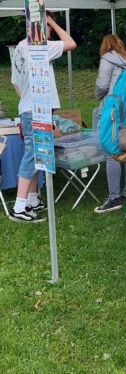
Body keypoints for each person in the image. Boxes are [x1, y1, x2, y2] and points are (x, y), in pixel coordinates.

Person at [10, 13, 76, 222]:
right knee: (32, 153)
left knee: (36, 152)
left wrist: (26, 101)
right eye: (46, 27)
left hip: (28, 107)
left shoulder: (20, 47)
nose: (49, 32)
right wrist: (53, 22)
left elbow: (15, 82)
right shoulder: (40, 47)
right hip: (36, 109)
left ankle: (31, 199)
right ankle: (20, 206)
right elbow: (70, 43)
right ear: (41, 26)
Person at [94, 34, 126, 213]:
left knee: (111, 152)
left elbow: (102, 86)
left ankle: (114, 197)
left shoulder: (107, 59)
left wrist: (98, 96)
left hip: (110, 110)